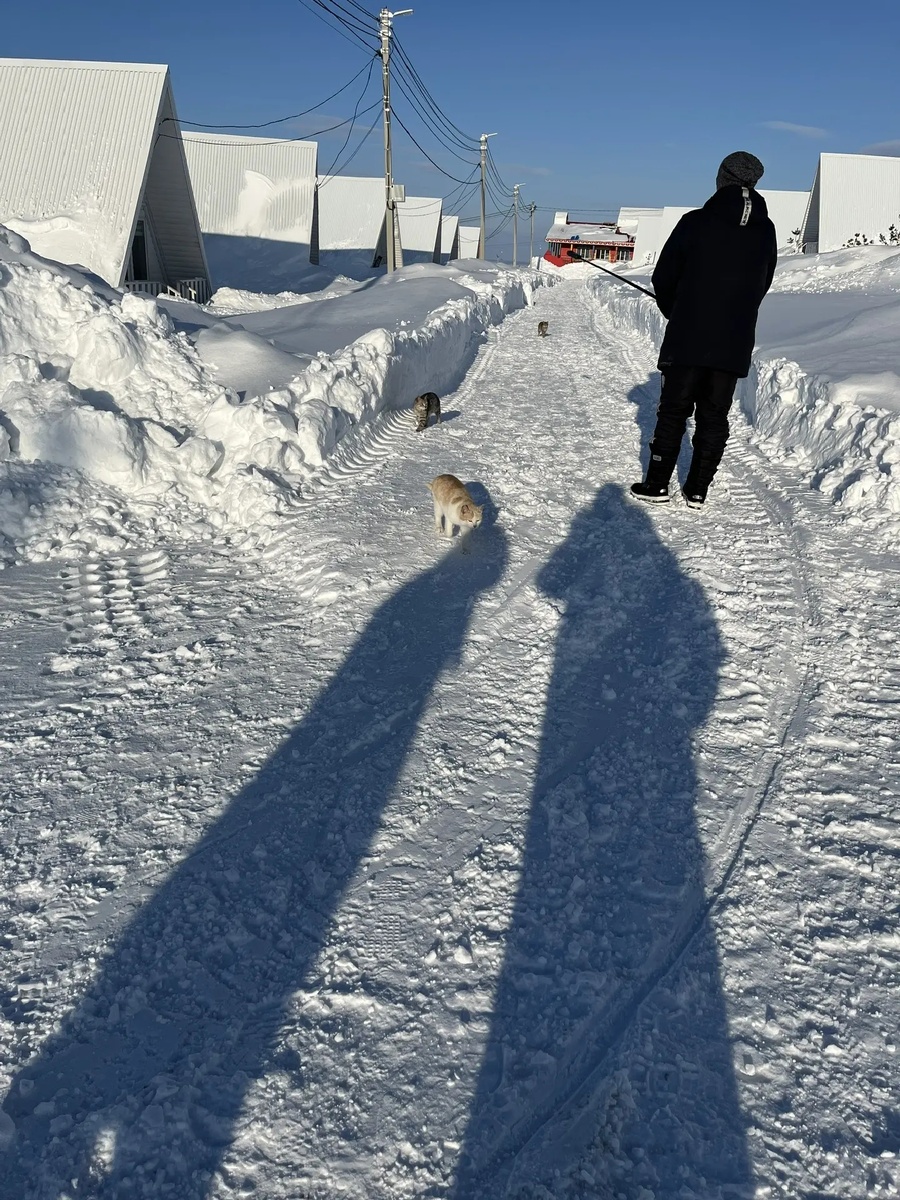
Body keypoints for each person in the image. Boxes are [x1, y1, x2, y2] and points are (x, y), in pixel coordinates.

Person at [631, 151, 778, 508]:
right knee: (714, 415)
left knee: (673, 411)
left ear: (721, 179)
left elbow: (664, 276)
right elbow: (763, 283)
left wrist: (678, 312)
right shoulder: (767, 230)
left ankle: (657, 485)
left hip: (689, 335)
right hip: (734, 339)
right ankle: (697, 490)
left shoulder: (695, 222)